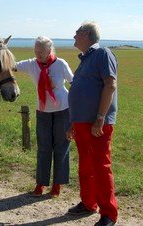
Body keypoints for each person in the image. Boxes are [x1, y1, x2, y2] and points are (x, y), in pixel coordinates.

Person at [67, 21, 118, 226]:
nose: (74, 35)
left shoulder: (102, 54)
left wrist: (100, 117)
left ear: (87, 34)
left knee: (101, 166)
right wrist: (73, 122)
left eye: (77, 32)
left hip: (98, 123)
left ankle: (109, 214)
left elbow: (110, 85)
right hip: (81, 123)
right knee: (86, 165)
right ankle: (88, 203)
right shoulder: (85, 59)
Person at [15, 36, 73, 198]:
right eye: (36, 51)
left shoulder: (60, 64)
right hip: (42, 111)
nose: (38, 54)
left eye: (41, 51)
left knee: (61, 148)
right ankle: (40, 184)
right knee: (44, 148)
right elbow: (13, 66)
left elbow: (73, 83)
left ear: (50, 50)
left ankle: (57, 185)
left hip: (63, 110)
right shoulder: (32, 64)